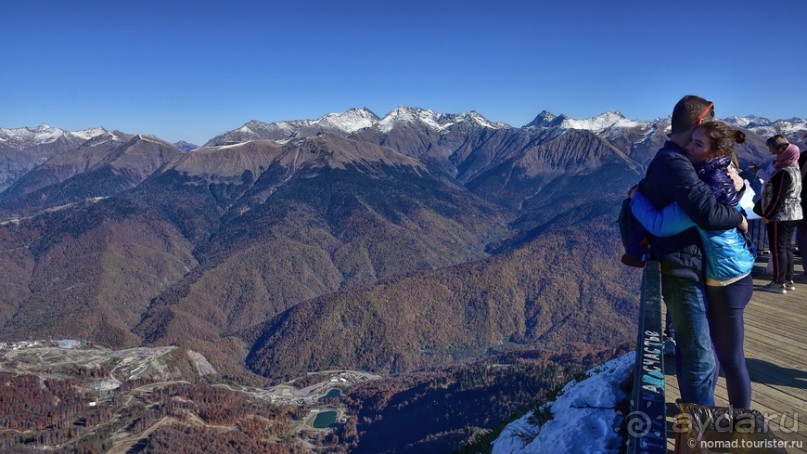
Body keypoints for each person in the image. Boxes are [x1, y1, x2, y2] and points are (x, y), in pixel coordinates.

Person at [632, 121, 755, 408]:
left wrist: (635, 198)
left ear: (714, 153)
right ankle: (697, 407)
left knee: (728, 358)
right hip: (721, 275)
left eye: (698, 144)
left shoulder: (707, 188)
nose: (688, 147)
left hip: (730, 280)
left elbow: (661, 224)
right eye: (691, 140)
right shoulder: (715, 175)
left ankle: (741, 423)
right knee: (708, 352)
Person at [756, 135, 803, 293]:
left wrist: (767, 214)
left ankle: (778, 282)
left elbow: (777, 197)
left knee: (777, 249)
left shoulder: (783, 172)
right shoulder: (795, 170)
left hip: (780, 215)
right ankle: (788, 280)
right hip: (794, 213)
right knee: (787, 247)